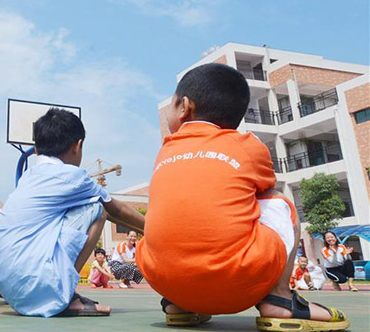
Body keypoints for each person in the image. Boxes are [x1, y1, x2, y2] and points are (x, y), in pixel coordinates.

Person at [136, 63, 349, 331]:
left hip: (166, 281)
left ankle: (181, 303)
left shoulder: (165, 151)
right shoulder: (247, 145)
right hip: (235, 283)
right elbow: (263, 190)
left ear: (184, 106)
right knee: (278, 201)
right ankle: (279, 300)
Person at [0, 109, 146, 317]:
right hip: (36, 288)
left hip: (8, 290)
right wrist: (157, 230)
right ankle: (66, 295)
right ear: (77, 145)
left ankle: (55, 290)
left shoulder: (29, 177)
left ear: (37, 148)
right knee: (97, 209)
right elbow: (115, 209)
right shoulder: (71, 176)